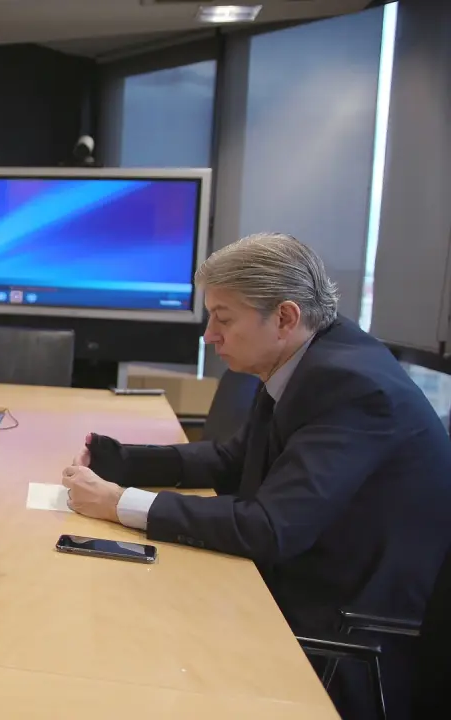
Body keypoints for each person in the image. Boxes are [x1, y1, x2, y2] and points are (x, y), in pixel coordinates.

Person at [61, 232, 451, 717]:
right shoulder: (311, 354)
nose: (209, 335)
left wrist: (118, 503)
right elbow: (234, 459)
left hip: (338, 620)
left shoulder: (351, 385)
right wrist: (119, 461)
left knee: (117, 633)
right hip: (305, 572)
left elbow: (270, 527)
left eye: (223, 318)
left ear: (284, 317)